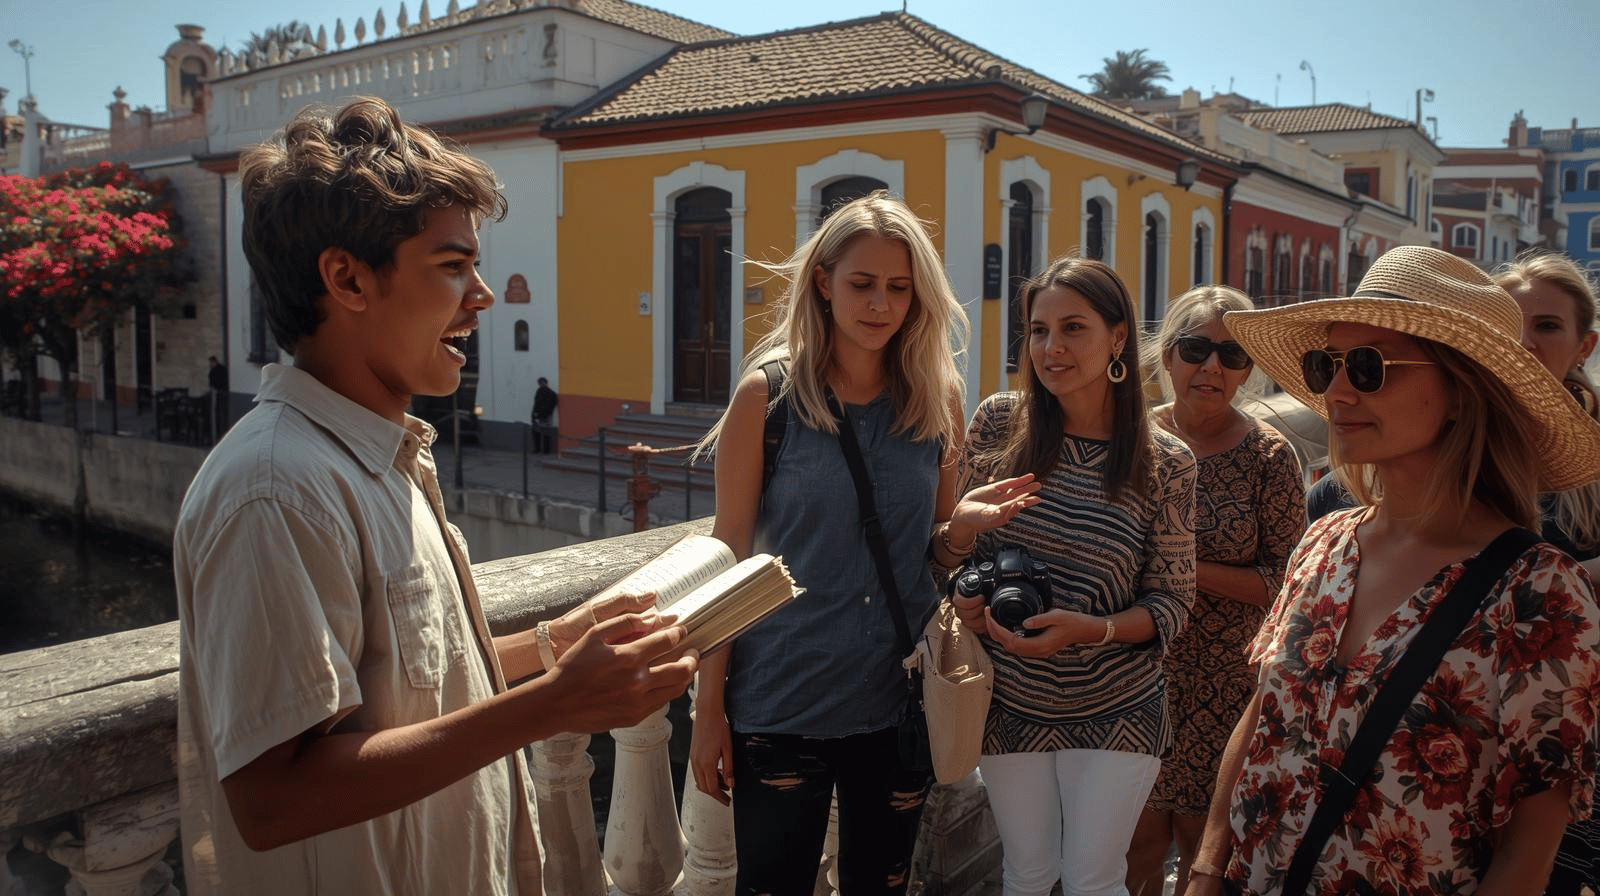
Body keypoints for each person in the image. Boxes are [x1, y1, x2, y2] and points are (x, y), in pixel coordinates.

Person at [174, 96, 697, 896]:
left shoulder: (380, 459)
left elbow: (411, 690)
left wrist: (558, 642)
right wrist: (553, 704)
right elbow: (271, 798)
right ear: (346, 278)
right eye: (453, 267)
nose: (482, 296)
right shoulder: (275, 489)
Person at [1189, 245, 1600, 896]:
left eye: (1369, 367)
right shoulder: (1323, 539)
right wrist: (1206, 871)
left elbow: (1527, 853)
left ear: (1463, 392)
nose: (1337, 391)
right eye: (1327, 365)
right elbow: (1263, 714)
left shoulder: (1541, 593)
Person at [688, 191, 1039, 895]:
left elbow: (935, 553)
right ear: (822, 282)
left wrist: (960, 530)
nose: (880, 304)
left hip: (896, 699)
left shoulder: (936, 398)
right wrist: (706, 713)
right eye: (862, 283)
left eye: (898, 289)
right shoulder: (768, 399)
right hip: (780, 698)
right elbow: (726, 560)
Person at [950, 256, 1198, 896]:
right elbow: (955, 558)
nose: (1051, 348)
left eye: (1073, 328)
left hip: (1119, 704)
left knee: (1093, 878)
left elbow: (1172, 602)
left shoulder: (1164, 460)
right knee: (1027, 876)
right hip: (1010, 702)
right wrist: (965, 581)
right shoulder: (1000, 423)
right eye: (1038, 330)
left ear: (1118, 338)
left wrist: (1094, 630)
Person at [1125, 286, 1305, 896]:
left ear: (1248, 370)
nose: (1212, 367)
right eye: (1196, 348)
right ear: (1167, 355)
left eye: (1232, 356)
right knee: (1132, 852)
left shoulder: (1269, 457)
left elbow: (1287, 581)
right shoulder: (1128, 440)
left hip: (1226, 689)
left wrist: (1180, 563)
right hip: (1134, 676)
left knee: (1204, 858)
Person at [1493, 251, 1600, 896]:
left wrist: (1563, 579)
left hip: (1576, 711)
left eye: (1549, 326)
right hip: (1470, 710)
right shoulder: (1458, 434)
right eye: (1512, 321)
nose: (1527, 341)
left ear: (1585, 344)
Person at [532, 375, 558, 453]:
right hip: (547, 416)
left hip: (539, 416)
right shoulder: (553, 393)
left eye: (539, 383)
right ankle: (546, 450)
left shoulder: (540, 391)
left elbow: (537, 404)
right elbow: (554, 404)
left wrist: (535, 414)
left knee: (537, 432)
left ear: (541, 383)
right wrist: (549, 412)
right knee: (546, 433)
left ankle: (537, 449)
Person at [207, 354, 229, 441]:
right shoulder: (222, 369)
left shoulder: (214, 370)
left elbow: (212, 382)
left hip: (219, 392)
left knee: (219, 412)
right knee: (221, 413)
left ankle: (219, 433)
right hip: (222, 392)